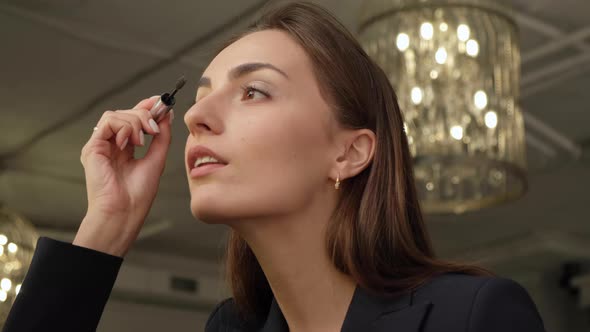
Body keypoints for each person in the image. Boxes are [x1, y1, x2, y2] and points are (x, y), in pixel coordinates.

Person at [3, 2, 546, 332]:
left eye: (254, 91)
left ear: (349, 153)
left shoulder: (472, 318)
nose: (194, 116)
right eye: (204, 95)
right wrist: (109, 223)